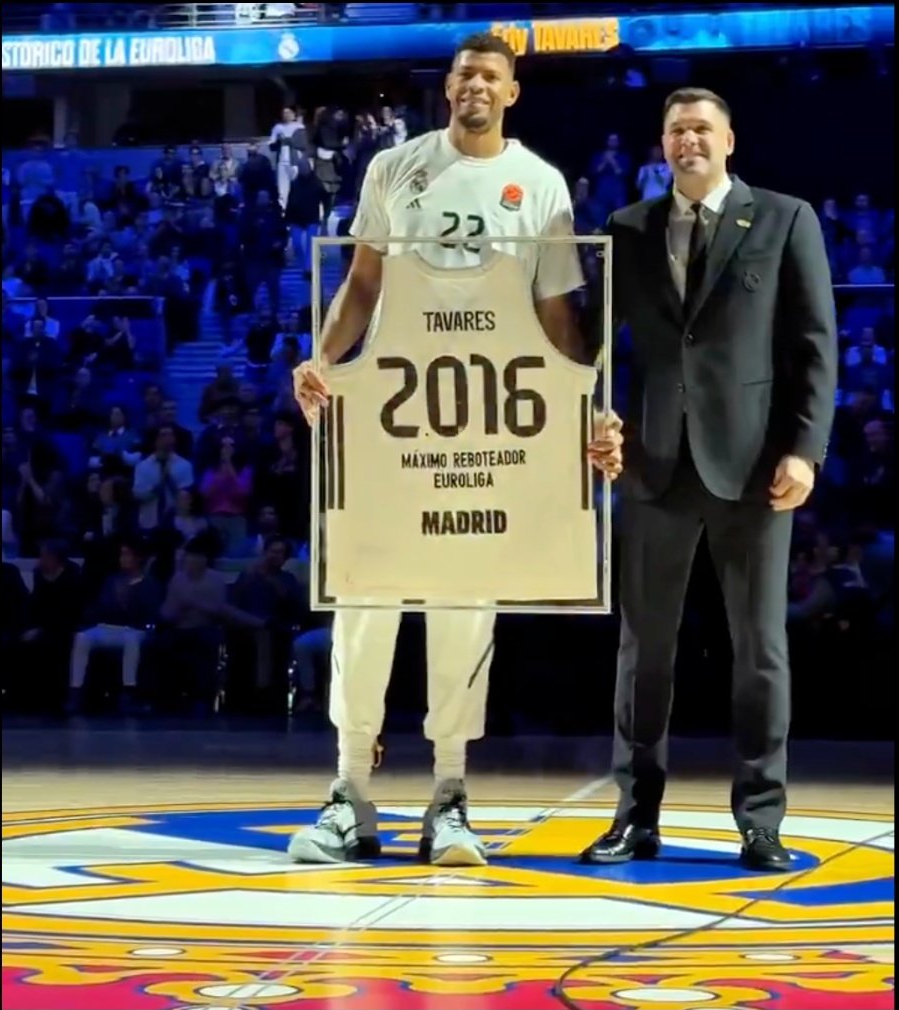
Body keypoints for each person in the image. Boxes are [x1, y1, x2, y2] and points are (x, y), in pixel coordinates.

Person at [288, 32, 621, 867]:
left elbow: (556, 313)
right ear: (447, 87)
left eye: (491, 77)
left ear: (512, 94)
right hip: (396, 418)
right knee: (364, 601)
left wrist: (583, 406)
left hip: (485, 423)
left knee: (465, 607)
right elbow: (361, 282)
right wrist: (323, 364)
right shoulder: (395, 169)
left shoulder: (540, 184)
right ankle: (348, 796)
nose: (475, 85)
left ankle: (449, 795)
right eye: (464, 74)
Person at [582, 87, 836, 872]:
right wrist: (599, 417)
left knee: (759, 650)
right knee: (642, 652)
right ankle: (635, 814)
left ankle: (761, 819)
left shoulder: (787, 218)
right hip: (654, 465)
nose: (687, 140)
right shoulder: (628, 227)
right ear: (661, 145)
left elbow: (813, 343)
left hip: (757, 467)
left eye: (701, 128)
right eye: (674, 130)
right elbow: (589, 345)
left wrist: (806, 449)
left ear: (730, 139)